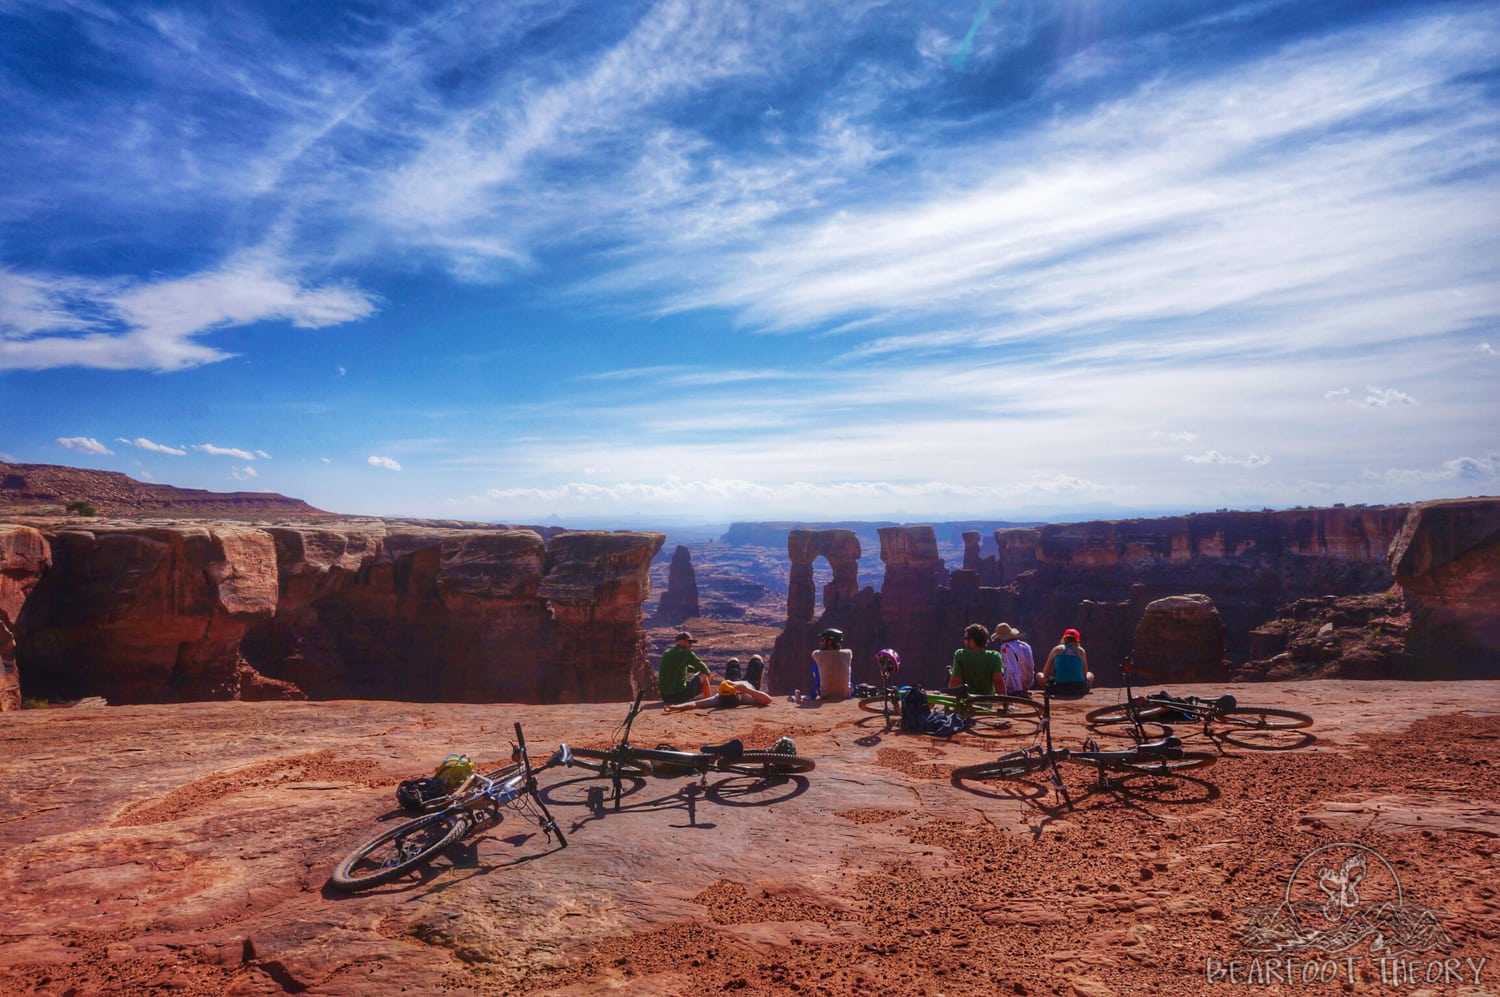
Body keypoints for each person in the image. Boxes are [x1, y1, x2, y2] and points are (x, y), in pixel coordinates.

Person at [658, 631, 712, 705]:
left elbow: (680, 667)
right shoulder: (687, 653)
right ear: (681, 642)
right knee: (704, 674)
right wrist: (707, 674)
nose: (691, 645)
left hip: (665, 697)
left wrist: (695, 669)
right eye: (689, 642)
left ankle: (709, 700)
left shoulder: (666, 653)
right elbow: (704, 669)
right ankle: (710, 701)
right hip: (679, 696)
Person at [949, 622, 1004, 695]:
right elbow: (998, 682)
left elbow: (955, 681)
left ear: (972, 640)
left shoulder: (960, 654)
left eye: (966, 638)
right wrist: (1005, 703)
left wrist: (948, 705)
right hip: (986, 703)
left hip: (965, 702)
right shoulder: (995, 656)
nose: (964, 641)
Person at [663, 679, 774, 713]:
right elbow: (695, 704)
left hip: (747, 684)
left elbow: (768, 700)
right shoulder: (719, 698)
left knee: (755, 659)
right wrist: (676, 707)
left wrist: (747, 690)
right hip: (735, 683)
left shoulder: (745, 694)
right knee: (736, 662)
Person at [1039, 628, 1094, 695]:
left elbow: (1046, 674)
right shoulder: (1081, 651)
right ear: (1077, 639)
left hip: (1059, 688)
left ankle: (1049, 691)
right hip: (1079, 688)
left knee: (1039, 675)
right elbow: (1084, 675)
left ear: (1064, 638)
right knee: (1090, 675)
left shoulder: (1056, 649)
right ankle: (1082, 691)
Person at [810, 628, 853, 700]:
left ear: (829, 642)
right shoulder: (848, 653)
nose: (820, 643)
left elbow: (818, 678)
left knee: (816, 664)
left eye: (822, 640)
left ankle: (812, 695)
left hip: (825, 694)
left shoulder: (817, 654)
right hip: (846, 694)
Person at [991, 622, 1033, 696]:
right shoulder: (1025, 645)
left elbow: (1011, 669)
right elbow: (1031, 666)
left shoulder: (1006, 647)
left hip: (1015, 688)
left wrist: (1017, 690)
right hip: (1027, 684)